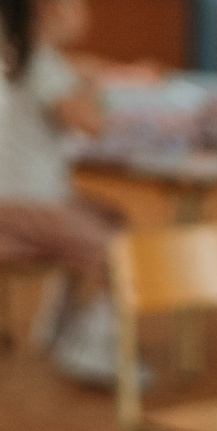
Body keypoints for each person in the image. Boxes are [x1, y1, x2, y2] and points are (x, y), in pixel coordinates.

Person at [0, 0, 127, 383]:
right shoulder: (40, 62)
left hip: (23, 197)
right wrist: (101, 86)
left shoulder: (18, 54)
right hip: (24, 203)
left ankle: (60, 324)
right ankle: (91, 342)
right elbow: (92, 121)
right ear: (50, 8)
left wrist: (84, 74)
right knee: (118, 252)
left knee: (111, 217)